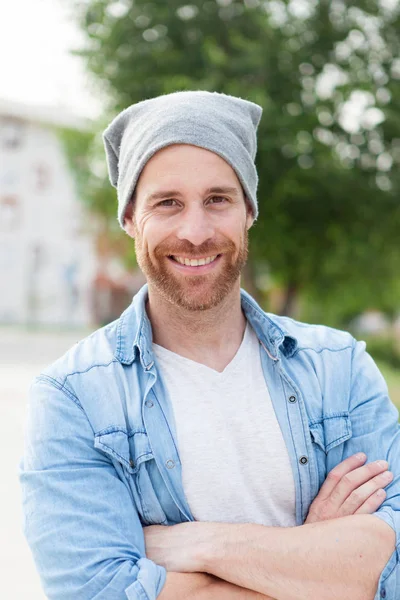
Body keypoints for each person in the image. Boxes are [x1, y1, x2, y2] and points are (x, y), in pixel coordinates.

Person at [20, 91, 399, 600]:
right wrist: (316, 558)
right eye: (167, 203)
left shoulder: (340, 368)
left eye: (217, 199)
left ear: (249, 211)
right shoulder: (73, 398)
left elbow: (392, 570)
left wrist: (201, 547)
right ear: (131, 218)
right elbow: (95, 592)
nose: (194, 232)